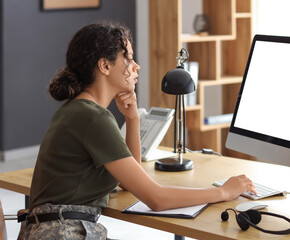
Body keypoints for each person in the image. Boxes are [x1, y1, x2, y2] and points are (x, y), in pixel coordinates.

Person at [18, 19, 256, 239]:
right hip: (64, 233)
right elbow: (156, 198)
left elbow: (128, 181)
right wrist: (223, 192)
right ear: (104, 66)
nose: (136, 66)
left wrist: (132, 119)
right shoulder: (92, 118)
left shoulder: (78, 110)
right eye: (128, 59)